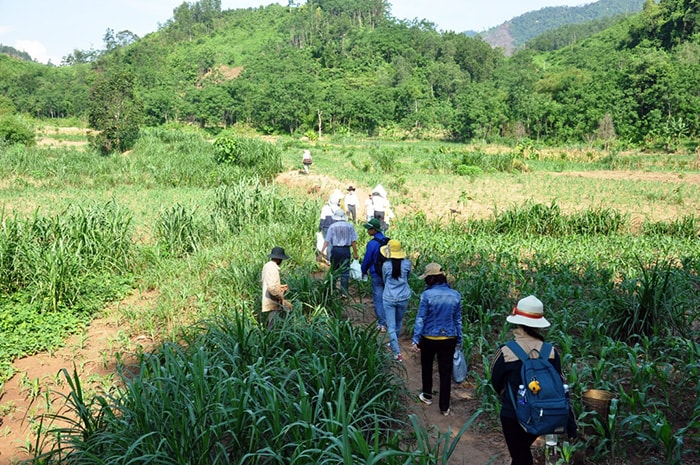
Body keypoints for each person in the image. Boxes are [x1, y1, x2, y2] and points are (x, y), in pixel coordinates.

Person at [490, 295, 573, 465]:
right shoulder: (551, 351)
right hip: (542, 414)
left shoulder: (506, 351)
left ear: (518, 322)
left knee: (521, 456)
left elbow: (495, 381)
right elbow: (561, 382)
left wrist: (508, 395)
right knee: (521, 454)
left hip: (512, 414)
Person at [412, 263, 463, 416]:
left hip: (429, 336)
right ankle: (444, 406)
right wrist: (459, 340)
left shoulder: (426, 295)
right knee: (445, 372)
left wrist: (416, 338)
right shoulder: (455, 295)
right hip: (449, 337)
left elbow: (421, 318)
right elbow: (458, 320)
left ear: (431, 278)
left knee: (427, 366)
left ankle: (427, 396)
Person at [380, 239, 412, 362]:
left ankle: (396, 352)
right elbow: (407, 278)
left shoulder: (386, 266)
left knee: (391, 326)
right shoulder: (407, 264)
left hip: (389, 297)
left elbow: (384, 280)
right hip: (403, 296)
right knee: (398, 322)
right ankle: (394, 343)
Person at [321, 210, 359, 295]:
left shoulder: (332, 226)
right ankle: (344, 292)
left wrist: (321, 253)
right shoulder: (350, 226)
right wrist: (355, 253)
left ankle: (332, 289)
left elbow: (326, 241)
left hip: (335, 250)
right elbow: (353, 241)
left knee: (334, 269)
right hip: (346, 250)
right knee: (345, 271)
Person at [360, 217, 387, 332]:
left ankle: (382, 324)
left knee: (378, 299)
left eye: (369, 229)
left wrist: (363, 270)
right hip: (388, 274)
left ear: (374, 230)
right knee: (388, 299)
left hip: (376, 273)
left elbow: (367, 259)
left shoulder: (372, 243)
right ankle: (391, 321)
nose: (367, 231)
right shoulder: (387, 241)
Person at [261, 246, 292, 329]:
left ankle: (275, 335)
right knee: (273, 321)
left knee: (278, 315)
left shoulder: (267, 266)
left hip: (268, 296)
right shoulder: (273, 269)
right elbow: (271, 287)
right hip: (272, 299)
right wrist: (280, 295)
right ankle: (271, 338)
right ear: (278, 259)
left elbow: (267, 281)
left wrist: (280, 287)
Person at [319, 190, 343, 257]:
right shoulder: (338, 209)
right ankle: (335, 258)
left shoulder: (325, 208)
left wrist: (320, 227)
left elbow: (322, 218)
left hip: (326, 227)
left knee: (328, 243)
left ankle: (329, 258)